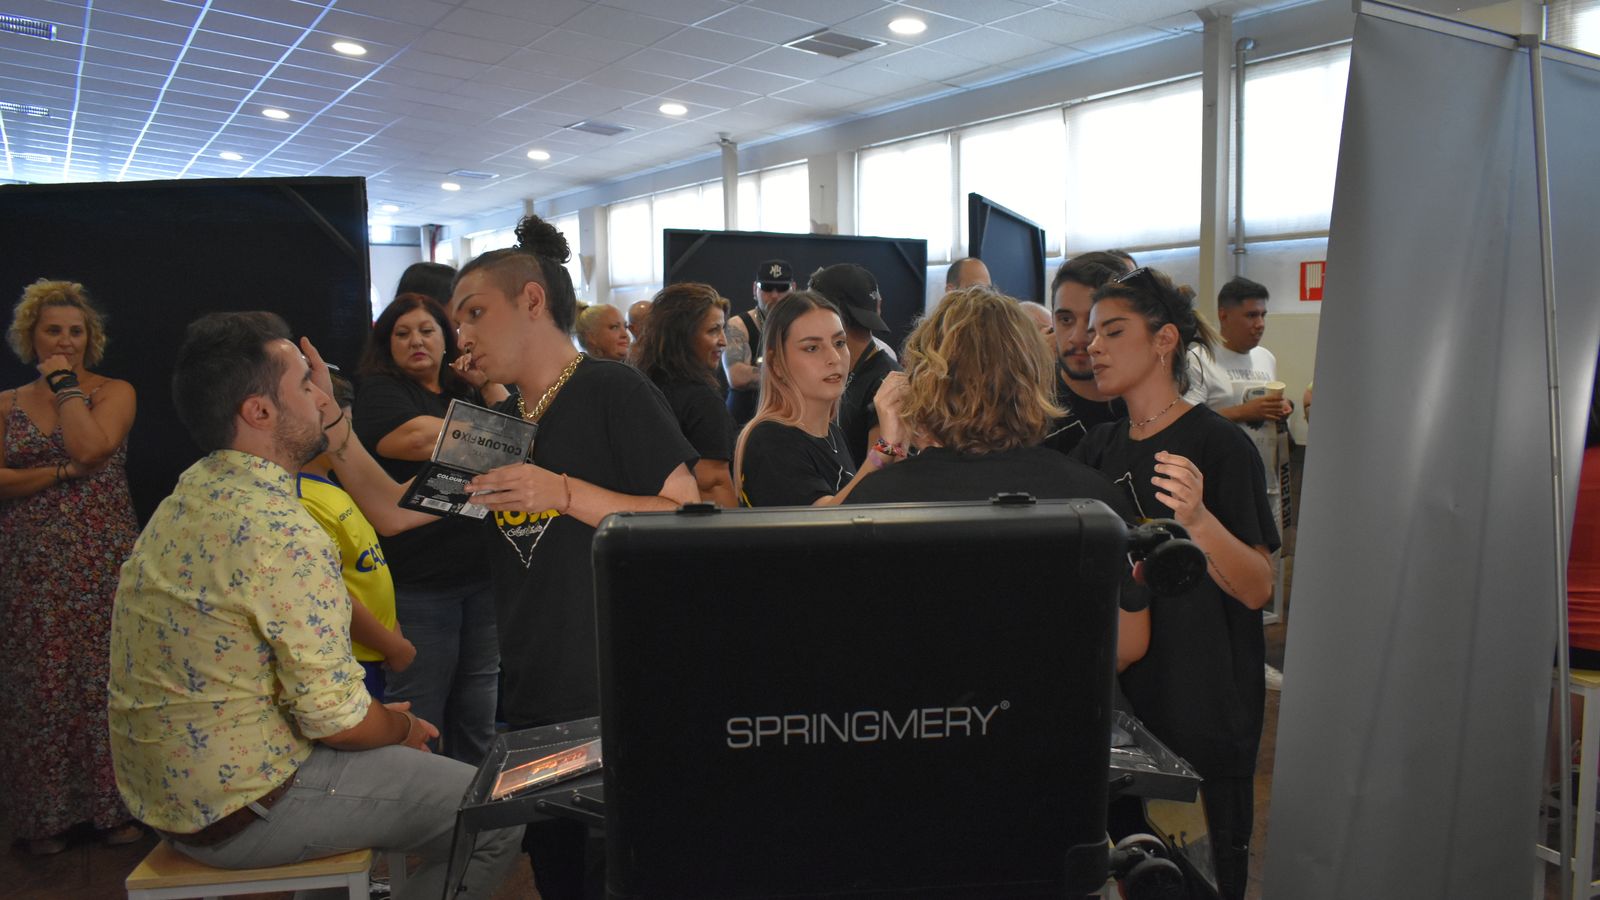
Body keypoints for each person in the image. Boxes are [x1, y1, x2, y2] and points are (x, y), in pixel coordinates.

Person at [107, 311, 522, 899]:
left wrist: (372, 724)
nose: (324, 397)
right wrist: (400, 726)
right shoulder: (279, 528)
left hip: (176, 793)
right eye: (306, 384)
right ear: (259, 412)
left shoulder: (194, 491)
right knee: (495, 814)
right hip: (241, 805)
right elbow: (340, 722)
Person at [440, 217, 700, 899]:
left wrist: (562, 492)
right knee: (557, 870)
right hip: (532, 690)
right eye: (457, 321)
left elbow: (685, 515)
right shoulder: (504, 421)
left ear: (531, 301)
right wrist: (339, 435)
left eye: (474, 313)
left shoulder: (612, 388)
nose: (462, 335)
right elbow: (407, 512)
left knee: (612, 872)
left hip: (609, 689)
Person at [1071, 266, 1277, 900]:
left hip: (1201, 712)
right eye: (1089, 332)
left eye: (1113, 331)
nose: (1093, 346)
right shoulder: (1099, 448)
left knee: (1201, 884)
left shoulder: (1218, 445)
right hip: (1122, 720)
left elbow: (1257, 587)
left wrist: (1198, 520)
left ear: (1163, 340)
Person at [845, 286, 1149, 671]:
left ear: (923, 380)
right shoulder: (1092, 500)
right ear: (1033, 375)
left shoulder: (876, 501)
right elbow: (1129, 644)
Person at [0, 279, 141, 855]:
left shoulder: (114, 392)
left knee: (104, 678)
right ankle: (47, 818)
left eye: (75, 331)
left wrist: (64, 388)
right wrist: (57, 475)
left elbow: (91, 448)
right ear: (30, 337)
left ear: (91, 338)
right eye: (53, 330)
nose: (65, 340)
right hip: (29, 564)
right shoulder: (6, 403)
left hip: (100, 556)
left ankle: (115, 811)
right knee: (39, 684)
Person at [353, 293, 503, 764]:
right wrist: (502, 438)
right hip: (420, 585)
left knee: (479, 710)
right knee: (422, 717)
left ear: (446, 339)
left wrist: (488, 385)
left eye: (426, 330)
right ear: (387, 343)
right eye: (402, 333)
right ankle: (426, 808)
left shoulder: (465, 390)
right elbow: (416, 439)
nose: (416, 341)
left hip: (481, 576)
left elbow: (517, 420)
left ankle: (479, 803)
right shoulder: (380, 390)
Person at [300, 373, 416, 700]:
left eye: (348, 425)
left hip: (373, 651)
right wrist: (392, 645)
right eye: (340, 426)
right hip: (349, 658)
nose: (349, 438)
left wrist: (391, 630)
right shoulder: (304, 500)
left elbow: (365, 568)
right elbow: (333, 595)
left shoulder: (335, 488)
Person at [734, 291, 879, 507]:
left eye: (840, 343)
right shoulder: (771, 440)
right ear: (776, 364)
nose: (834, 358)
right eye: (812, 348)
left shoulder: (832, 433)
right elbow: (822, 521)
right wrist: (882, 453)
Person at [631, 282, 738, 507]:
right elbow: (713, 483)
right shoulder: (702, 400)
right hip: (690, 522)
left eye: (723, 329)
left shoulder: (639, 386)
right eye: (713, 330)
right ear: (683, 335)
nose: (723, 341)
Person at [809, 263, 902, 468]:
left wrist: (886, 448)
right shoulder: (837, 369)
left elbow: (882, 471)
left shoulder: (886, 382)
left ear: (833, 313)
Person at [1043, 253, 1127, 456]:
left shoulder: (1145, 407)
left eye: (1093, 320)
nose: (1078, 337)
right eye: (1065, 319)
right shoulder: (1026, 408)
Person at [724, 259, 795, 427]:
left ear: (793, 289)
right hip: (743, 420)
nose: (775, 295)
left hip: (787, 419)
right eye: (767, 288)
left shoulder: (802, 327)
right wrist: (790, 375)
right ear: (755, 289)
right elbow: (737, 376)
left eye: (782, 288)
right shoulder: (738, 325)